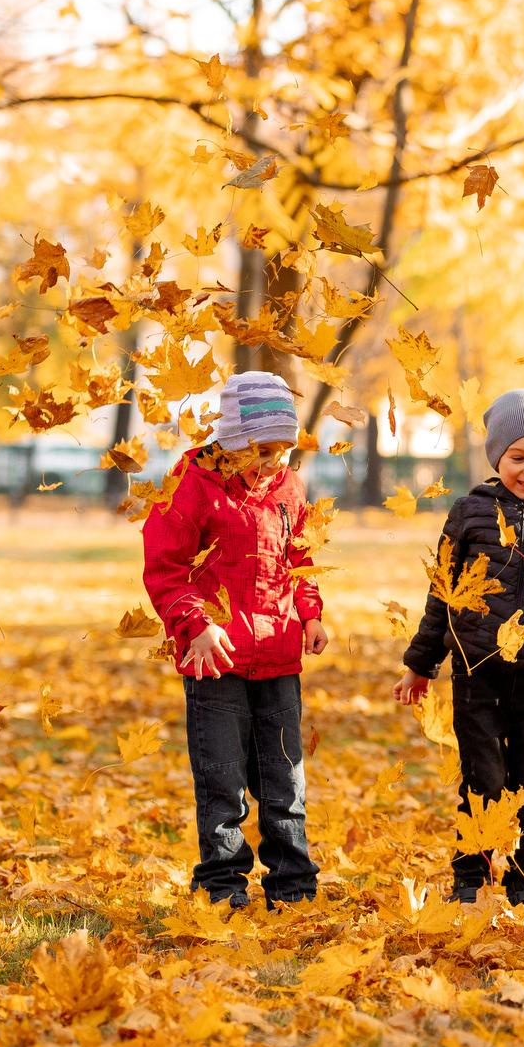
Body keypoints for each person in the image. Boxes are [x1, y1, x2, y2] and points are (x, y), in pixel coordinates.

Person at [394, 388, 524, 909]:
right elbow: (441, 594)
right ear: (497, 457)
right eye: (518, 457)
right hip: (478, 669)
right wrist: (420, 666)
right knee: (482, 778)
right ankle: (470, 878)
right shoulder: (470, 513)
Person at [141, 370, 329, 911]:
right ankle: (222, 886)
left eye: (283, 450)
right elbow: (165, 568)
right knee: (221, 781)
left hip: (277, 654)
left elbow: (301, 556)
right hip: (214, 657)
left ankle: (292, 886)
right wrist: (194, 625)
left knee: (284, 780)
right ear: (230, 441)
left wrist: (310, 613)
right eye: (262, 449)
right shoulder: (189, 484)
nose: (273, 461)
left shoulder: (288, 487)